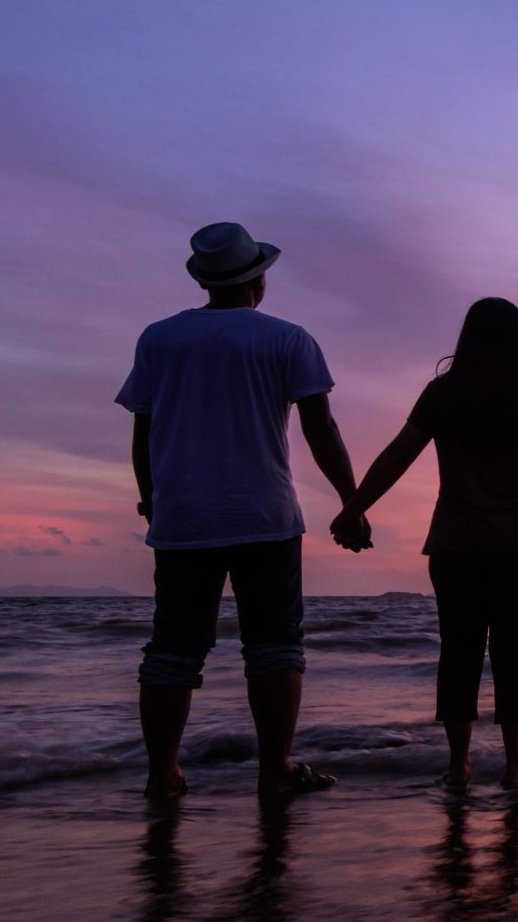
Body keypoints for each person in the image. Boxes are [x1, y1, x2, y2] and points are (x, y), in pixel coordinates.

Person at [118, 221, 369, 801]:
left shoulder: (160, 339)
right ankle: (274, 769)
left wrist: (152, 498)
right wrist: (352, 503)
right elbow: (321, 429)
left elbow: (143, 430)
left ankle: (163, 774)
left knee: (172, 648)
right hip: (264, 515)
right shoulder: (287, 339)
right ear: (259, 280)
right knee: (274, 644)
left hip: (184, 517)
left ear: (204, 281)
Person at [334, 298, 518, 789]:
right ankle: (516, 770)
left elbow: (398, 454)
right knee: (515, 656)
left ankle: (459, 767)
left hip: (456, 544)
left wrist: (354, 508)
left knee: (459, 653)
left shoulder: (443, 394)